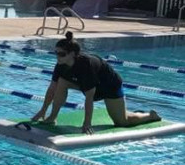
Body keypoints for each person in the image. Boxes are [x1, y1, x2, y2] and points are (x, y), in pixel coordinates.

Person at [31, 31, 161, 135]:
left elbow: (89, 97)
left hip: (109, 86)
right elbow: (52, 88)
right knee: (61, 82)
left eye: (61, 54)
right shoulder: (61, 65)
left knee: (122, 122)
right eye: (56, 53)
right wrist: (43, 110)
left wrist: (87, 123)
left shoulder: (86, 65)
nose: (58, 56)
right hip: (88, 84)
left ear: (73, 54)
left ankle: (150, 116)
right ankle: (52, 117)